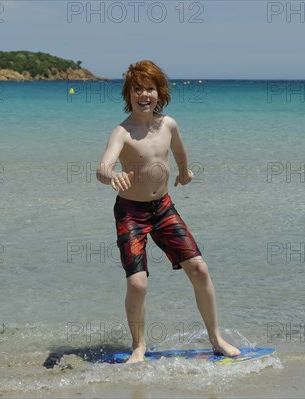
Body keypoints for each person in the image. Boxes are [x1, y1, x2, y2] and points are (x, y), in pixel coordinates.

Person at [96, 60, 240, 363]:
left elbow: (178, 151)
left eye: (149, 88)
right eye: (137, 89)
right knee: (137, 283)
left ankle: (216, 339)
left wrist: (185, 172)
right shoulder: (122, 132)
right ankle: (139, 346)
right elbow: (102, 167)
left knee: (200, 269)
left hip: (163, 208)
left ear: (159, 93)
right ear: (129, 94)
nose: (144, 94)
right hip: (130, 213)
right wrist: (111, 176)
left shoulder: (169, 124)